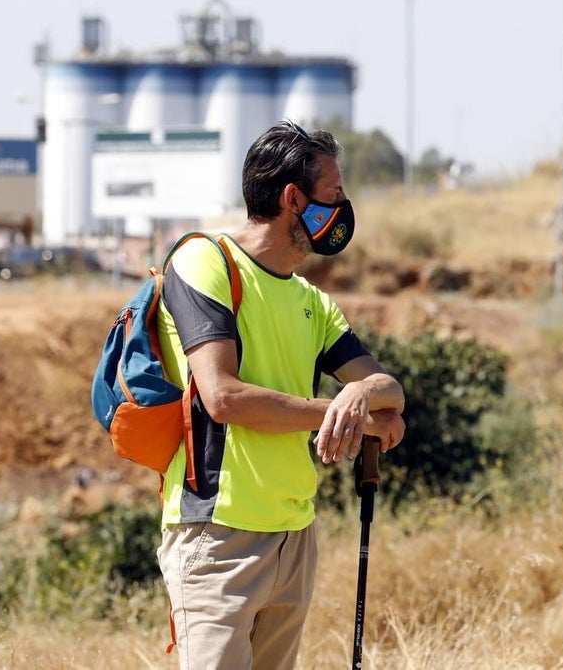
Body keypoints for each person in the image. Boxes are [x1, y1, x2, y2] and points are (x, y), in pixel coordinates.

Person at [154, 120, 406, 669]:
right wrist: (342, 414)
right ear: (295, 199)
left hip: (294, 536)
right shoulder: (205, 262)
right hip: (217, 534)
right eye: (334, 193)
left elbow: (390, 390)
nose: (343, 206)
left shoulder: (313, 301)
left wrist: (361, 395)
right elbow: (223, 396)